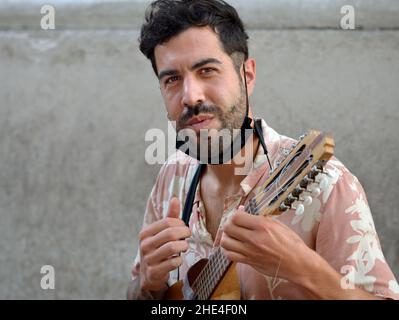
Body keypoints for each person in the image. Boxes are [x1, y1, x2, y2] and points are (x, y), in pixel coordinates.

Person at [127, 0, 399, 300]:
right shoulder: (172, 176)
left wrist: (304, 269)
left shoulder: (328, 184)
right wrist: (148, 285)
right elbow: (135, 290)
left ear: (248, 75)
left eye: (206, 70)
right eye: (172, 80)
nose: (190, 96)